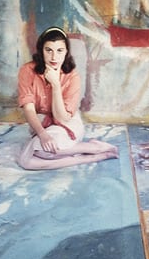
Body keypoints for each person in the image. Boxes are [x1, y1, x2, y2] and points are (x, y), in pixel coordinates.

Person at [17, 26, 119, 170]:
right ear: (41, 50)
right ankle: (91, 152)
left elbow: (62, 118)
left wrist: (56, 85)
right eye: (49, 50)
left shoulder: (72, 76)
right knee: (28, 163)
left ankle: (94, 150)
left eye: (59, 50)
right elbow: (28, 108)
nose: (54, 57)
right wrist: (43, 134)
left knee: (42, 152)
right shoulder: (27, 71)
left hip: (67, 123)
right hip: (43, 124)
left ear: (66, 52)